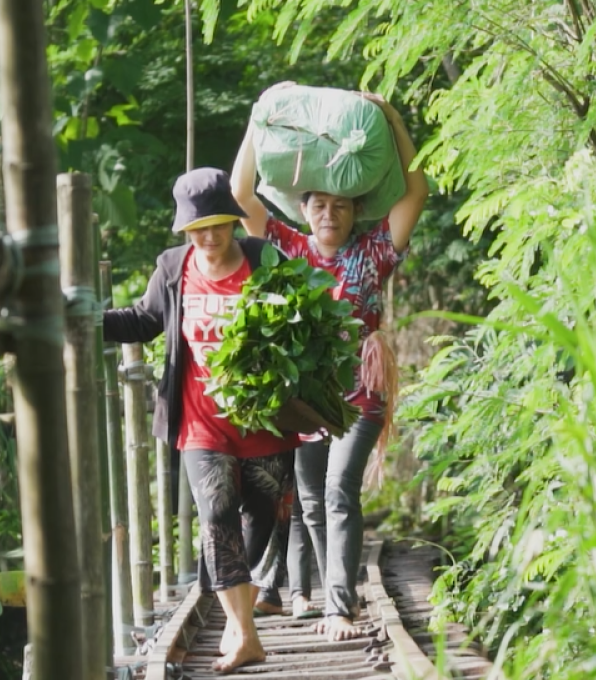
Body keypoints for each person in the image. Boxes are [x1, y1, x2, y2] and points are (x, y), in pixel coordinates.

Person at [231, 87, 429, 641]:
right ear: (305, 209)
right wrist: (259, 115)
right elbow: (239, 194)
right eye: (318, 204)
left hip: (360, 389)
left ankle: (340, 607)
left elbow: (417, 189)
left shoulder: (373, 251)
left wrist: (389, 115)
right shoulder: (288, 248)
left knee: (340, 488)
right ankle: (328, 597)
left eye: (339, 205)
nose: (328, 213)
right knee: (311, 499)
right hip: (305, 395)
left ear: (353, 210)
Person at [103, 167, 299, 671]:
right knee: (216, 516)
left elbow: (305, 315)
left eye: (216, 225)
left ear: (233, 221)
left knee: (262, 517)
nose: (208, 238)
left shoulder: (263, 260)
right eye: (197, 230)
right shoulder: (173, 268)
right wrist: (85, 318)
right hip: (201, 421)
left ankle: (240, 623)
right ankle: (245, 631)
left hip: (264, 420)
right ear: (185, 232)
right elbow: (145, 321)